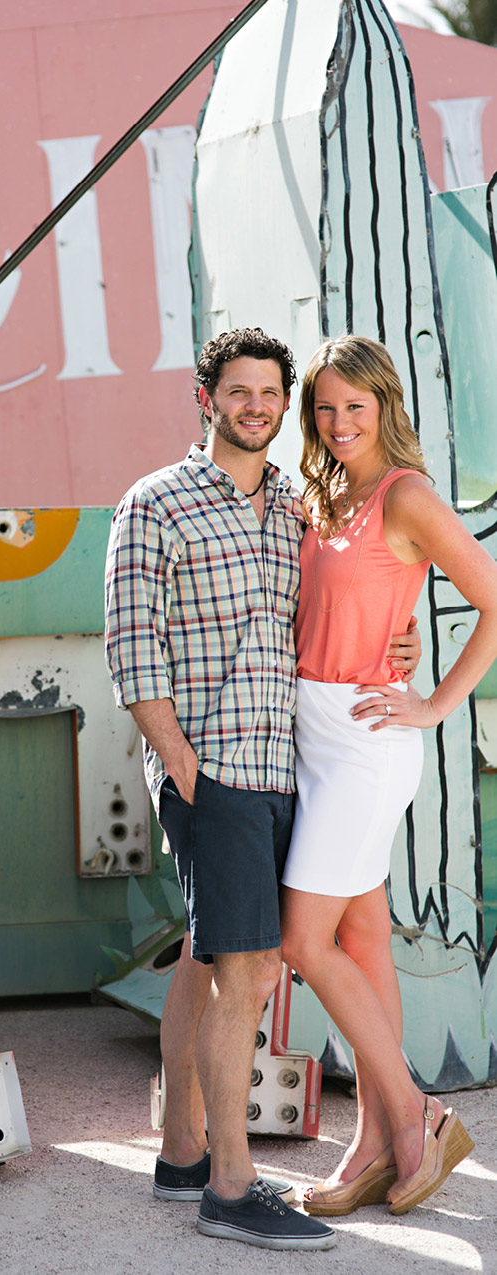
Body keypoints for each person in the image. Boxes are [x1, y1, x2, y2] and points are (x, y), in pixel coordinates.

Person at [104, 328, 420, 1251]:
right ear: (207, 398)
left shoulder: (297, 505)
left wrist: (408, 651)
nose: (257, 406)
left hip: (290, 764)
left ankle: (181, 1157)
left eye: (271, 394)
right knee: (249, 967)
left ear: (286, 406)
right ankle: (233, 1189)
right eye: (238, 391)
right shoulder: (153, 503)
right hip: (216, 773)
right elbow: (132, 651)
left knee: (213, 958)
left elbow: (355, 600)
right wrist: (187, 772)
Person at [279, 335, 495, 1215]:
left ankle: (415, 1113)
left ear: (385, 407)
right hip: (311, 732)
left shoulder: (406, 493)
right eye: (324, 409)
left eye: (353, 408)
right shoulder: (320, 491)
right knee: (364, 942)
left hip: (368, 742)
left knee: (304, 942)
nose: (338, 424)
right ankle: (374, 1144)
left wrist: (435, 701)